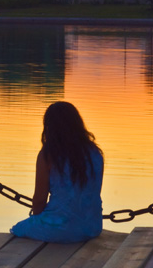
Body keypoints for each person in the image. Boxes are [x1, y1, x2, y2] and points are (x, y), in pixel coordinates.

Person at [10, 101, 104, 243]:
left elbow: (40, 199)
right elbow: (93, 192)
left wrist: (37, 219)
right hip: (92, 227)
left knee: (17, 229)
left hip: (60, 228)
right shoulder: (95, 153)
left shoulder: (48, 155)